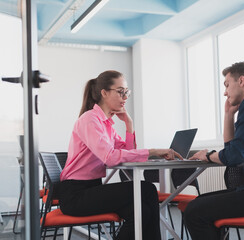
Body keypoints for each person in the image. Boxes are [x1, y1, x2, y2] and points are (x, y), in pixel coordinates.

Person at [57, 70, 182, 240]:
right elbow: (110, 157)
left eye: (127, 92)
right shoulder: (90, 119)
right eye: (121, 91)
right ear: (104, 93)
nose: (125, 97)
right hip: (75, 195)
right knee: (147, 189)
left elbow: (127, 152)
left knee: (142, 211)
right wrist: (153, 151)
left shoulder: (107, 125)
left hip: (92, 188)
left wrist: (129, 125)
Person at [184, 61, 244, 240]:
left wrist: (209, 155)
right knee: (199, 203)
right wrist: (228, 115)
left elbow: (235, 156)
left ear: (241, 81)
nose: (225, 92)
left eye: (227, 85)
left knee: (194, 211)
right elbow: (233, 152)